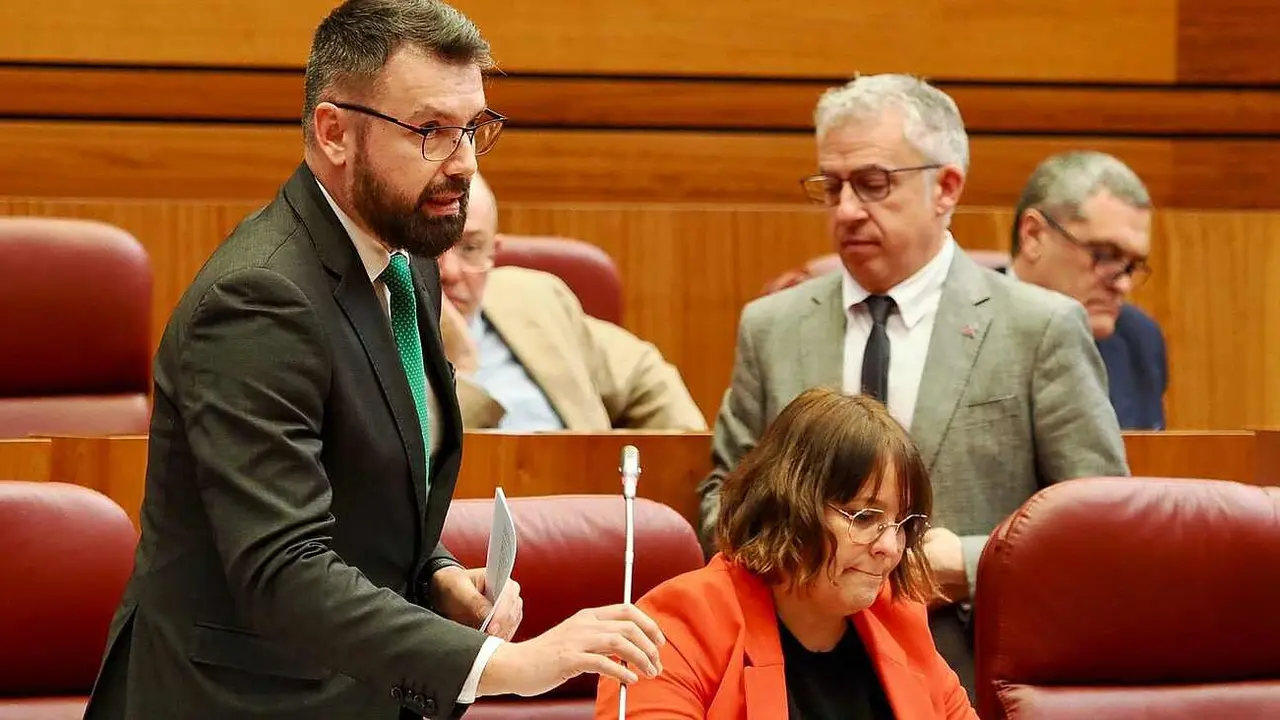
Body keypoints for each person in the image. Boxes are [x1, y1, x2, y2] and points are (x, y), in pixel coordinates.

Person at [84, 2, 662, 718]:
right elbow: (281, 567)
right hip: (242, 700)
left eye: (474, 128)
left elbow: (367, 488)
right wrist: (506, 665)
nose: (464, 164)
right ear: (334, 132)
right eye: (431, 131)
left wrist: (436, 572)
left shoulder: (405, 255)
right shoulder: (257, 299)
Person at [696, 74, 1128, 696]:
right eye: (832, 186)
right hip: (796, 676)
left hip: (968, 670)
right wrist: (799, 555)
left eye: (873, 183)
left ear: (945, 187)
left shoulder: (1039, 328)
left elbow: (1099, 529)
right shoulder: (773, 327)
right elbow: (725, 499)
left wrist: (971, 564)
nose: (847, 210)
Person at [597, 388, 977, 719]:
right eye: (864, 518)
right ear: (789, 508)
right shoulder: (678, 628)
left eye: (903, 524)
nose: (890, 547)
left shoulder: (898, 618)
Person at [437, 173, 706, 431]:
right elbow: (437, 455)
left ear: (493, 252)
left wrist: (677, 460)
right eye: (432, 250)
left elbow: (642, 375)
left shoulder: (534, 298)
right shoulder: (407, 348)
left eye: (470, 248)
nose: (449, 271)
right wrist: (459, 368)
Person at [1009, 150, 1167, 430]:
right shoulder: (959, 329)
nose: (1123, 284)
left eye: (1133, 265)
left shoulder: (1138, 341)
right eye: (1104, 254)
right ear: (1033, 235)